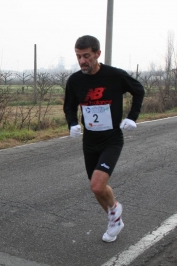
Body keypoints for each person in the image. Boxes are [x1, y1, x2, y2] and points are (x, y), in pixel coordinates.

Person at [63, 35, 145, 242]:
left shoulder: (114, 76)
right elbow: (69, 106)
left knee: (98, 185)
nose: (82, 61)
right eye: (78, 56)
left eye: (87, 56)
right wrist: (72, 123)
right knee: (96, 187)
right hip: (90, 140)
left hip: (111, 139)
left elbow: (139, 90)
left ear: (98, 54)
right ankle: (114, 219)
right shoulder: (74, 81)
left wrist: (132, 117)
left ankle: (115, 210)